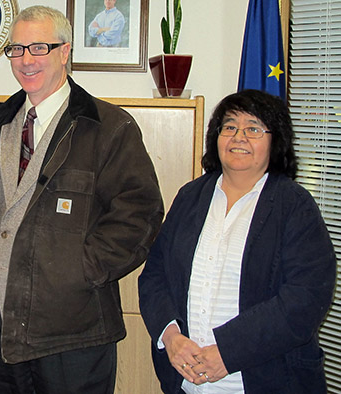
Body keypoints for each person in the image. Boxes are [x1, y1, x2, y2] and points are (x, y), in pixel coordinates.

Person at [0, 6, 163, 394]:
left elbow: (139, 216)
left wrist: (81, 270)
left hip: (71, 334)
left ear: (65, 51)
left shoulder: (109, 127)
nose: (27, 60)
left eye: (39, 47)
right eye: (17, 49)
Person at [138, 89, 335, 393]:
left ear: (275, 140)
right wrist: (170, 336)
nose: (238, 137)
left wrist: (228, 353)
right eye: (229, 126)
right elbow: (154, 277)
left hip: (267, 381)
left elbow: (304, 299)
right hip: (186, 381)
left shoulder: (295, 206)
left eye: (253, 128)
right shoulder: (191, 197)